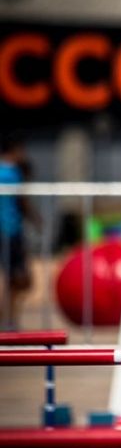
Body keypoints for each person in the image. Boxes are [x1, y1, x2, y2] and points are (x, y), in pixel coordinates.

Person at [0, 134, 36, 329]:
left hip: (7, 231)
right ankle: (9, 318)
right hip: (11, 231)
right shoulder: (13, 172)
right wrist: (37, 220)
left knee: (12, 279)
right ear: (13, 152)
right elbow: (22, 201)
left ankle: (8, 317)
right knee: (19, 279)